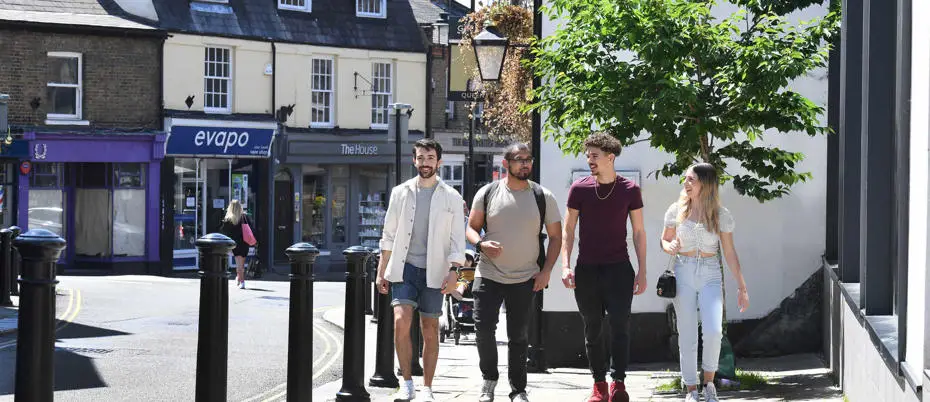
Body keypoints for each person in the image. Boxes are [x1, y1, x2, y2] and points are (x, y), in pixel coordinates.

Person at [467, 143, 562, 402]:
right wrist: (480, 243)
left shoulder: (543, 196)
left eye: (528, 160)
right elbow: (471, 228)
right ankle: (489, 380)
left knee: (518, 336)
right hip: (488, 274)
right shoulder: (487, 193)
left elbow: (556, 237)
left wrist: (546, 271)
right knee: (483, 330)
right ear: (506, 164)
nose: (525, 164)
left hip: (525, 277)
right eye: (519, 160)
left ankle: (518, 389)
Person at [375, 138, 467, 402]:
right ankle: (406, 383)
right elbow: (388, 234)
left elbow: (457, 241)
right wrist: (382, 270)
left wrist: (454, 273)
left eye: (430, 158)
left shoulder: (451, 196)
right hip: (404, 268)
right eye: (420, 158)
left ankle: (427, 388)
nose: (424, 163)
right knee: (401, 322)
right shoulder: (400, 192)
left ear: (439, 162)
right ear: (413, 160)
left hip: (435, 272)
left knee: (430, 328)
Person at [561, 133, 648, 402]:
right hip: (587, 269)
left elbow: (639, 232)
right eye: (588, 156)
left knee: (620, 326)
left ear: (610, 158)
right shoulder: (579, 189)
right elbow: (568, 230)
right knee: (593, 328)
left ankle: (618, 383)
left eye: (594, 156)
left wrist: (642, 270)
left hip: (619, 270)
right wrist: (565, 265)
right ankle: (598, 385)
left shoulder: (630, 190)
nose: (590, 160)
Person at [661, 163, 750, 402]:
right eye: (686, 179)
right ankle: (691, 390)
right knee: (687, 333)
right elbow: (665, 239)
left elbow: (730, 253)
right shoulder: (676, 210)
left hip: (711, 273)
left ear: (705, 184)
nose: (686, 184)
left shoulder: (721, 214)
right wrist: (669, 246)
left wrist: (741, 286)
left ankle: (709, 385)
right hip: (683, 271)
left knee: (713, 331)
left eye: (691, 180)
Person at [220, 199, 254, 290]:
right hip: (245, 243)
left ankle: (242, 281)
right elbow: (251, 228)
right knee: (241, 263)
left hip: (235, 244)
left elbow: (223, 231)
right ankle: (239, 279)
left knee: (239, 264)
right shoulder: (245, 217)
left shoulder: (229, 219)